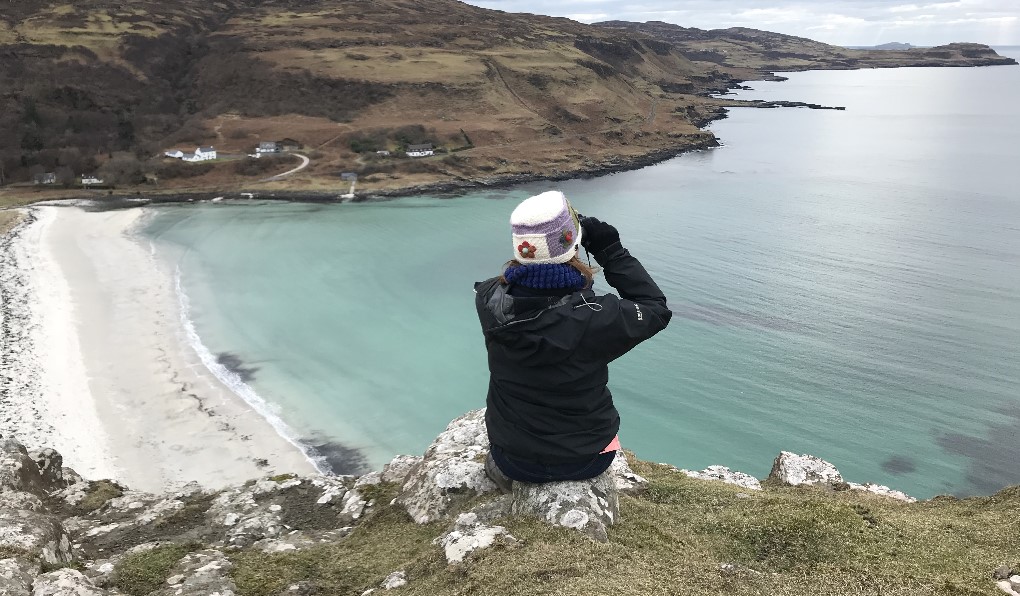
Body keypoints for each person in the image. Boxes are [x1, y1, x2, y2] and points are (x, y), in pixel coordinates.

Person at [474, 190, 673, 491]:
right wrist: (612, 252)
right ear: (573, 244)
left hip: (511, 457)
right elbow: (655, 309)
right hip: (585, 458)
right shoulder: (598, 316)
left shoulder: (489, 299)